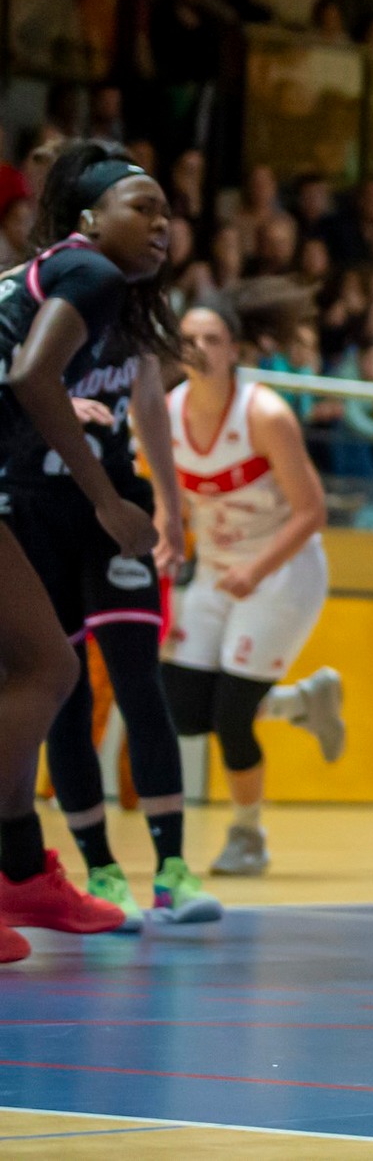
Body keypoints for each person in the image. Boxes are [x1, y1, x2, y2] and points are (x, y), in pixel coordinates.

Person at [0, 146, 226, 929]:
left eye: (168, 212)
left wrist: (159, 501)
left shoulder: (88, 289)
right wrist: (104, 495)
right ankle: (46, 867)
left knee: (61, 671)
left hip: (54, 498)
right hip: (42, 501)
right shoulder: (86, 275)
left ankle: (38, 869)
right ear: (90, 217)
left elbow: (42, 380)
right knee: (46, 676)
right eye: (144, 209)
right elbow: (30, 378)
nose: (162, 225)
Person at [166, 288, 346, 878]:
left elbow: (312, 511)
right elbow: (168, 500)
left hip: (282, 572)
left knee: (231, 718)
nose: (198, 350)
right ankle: (299, 703)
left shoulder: (264, 415)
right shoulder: (166, 412)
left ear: (235, 350)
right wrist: (165, 544)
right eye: (188, 338)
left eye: (211, 339)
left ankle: (248, 836)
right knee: (183, 709)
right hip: (216, 572)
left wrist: (256, 569)